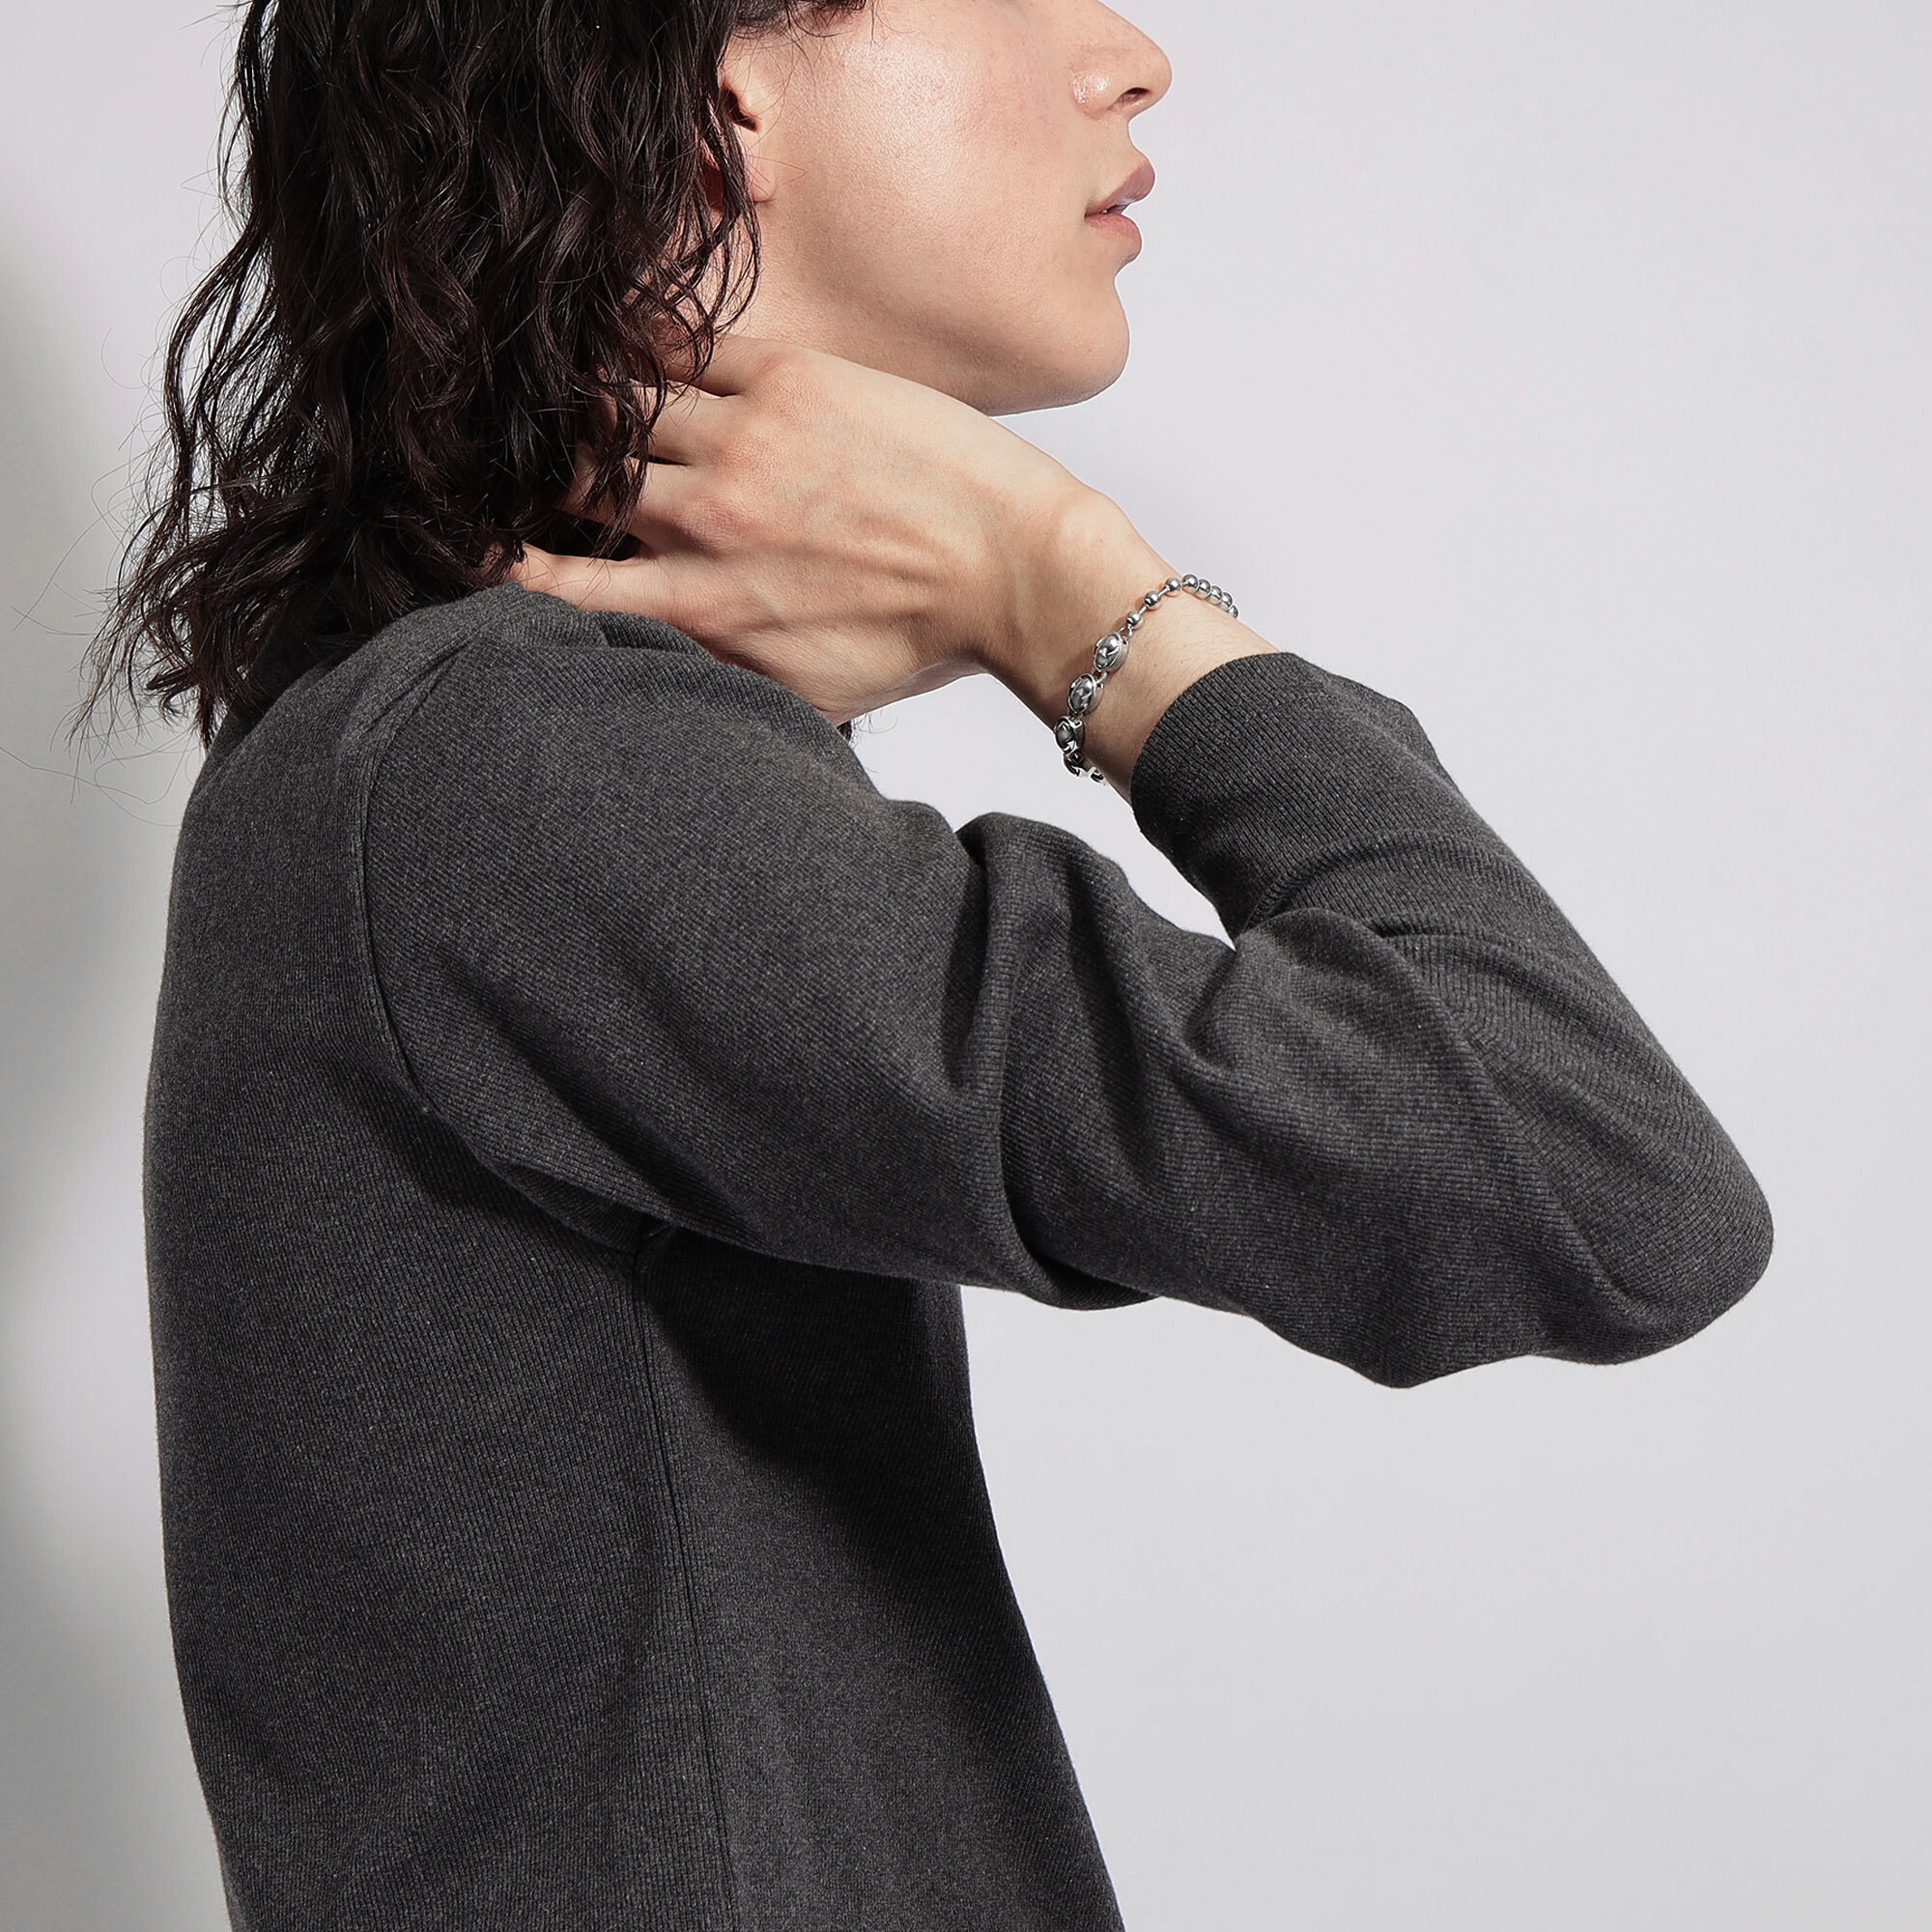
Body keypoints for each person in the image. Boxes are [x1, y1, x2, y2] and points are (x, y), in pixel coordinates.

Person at [95, 0, 1774, 1925]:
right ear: (724, 95)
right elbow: (1586, 1172)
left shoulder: (464, 757)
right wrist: (1066, 583)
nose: (1130, 53)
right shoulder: (510, 762)